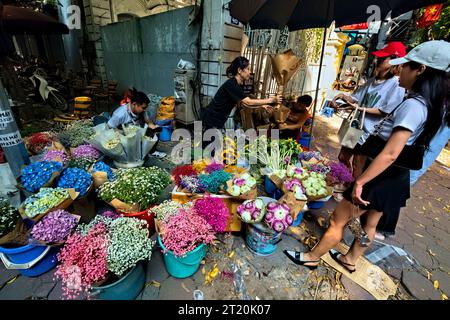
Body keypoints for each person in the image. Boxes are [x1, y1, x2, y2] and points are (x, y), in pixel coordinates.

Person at [283, 40, 449, 271]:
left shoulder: (413, 106)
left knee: (337, 220)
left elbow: (391, 153)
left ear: (421, 70)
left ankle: (312, 257)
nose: (399, 70)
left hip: (379, 176)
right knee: (369, 224)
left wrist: (360, 181)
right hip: (395, 179)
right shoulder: (430, 105)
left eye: (407, 65)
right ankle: (350, 260)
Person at [332, 41, 407, 178]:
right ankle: (345, 181)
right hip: (355, 128)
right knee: (343, 157)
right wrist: (342, 96)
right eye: (379, 57)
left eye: (384, 58)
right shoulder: (372, 80)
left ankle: (352, 193)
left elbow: (384, 111)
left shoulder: (397, 85)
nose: (378, 60)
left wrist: (360, 108)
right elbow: (355, 99)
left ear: (396, 61)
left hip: (370, 133)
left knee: (358, 165)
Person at [201, 56, 282, 132]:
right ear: (239, 70)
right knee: (208, 146)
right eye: (248, 69)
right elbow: (248, 102)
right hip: (211, 120)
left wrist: (261, 106)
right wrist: (270, 100)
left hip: (217, 120)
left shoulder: (237, 85)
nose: (250, 72)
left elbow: (244, 104)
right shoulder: (231, 84)